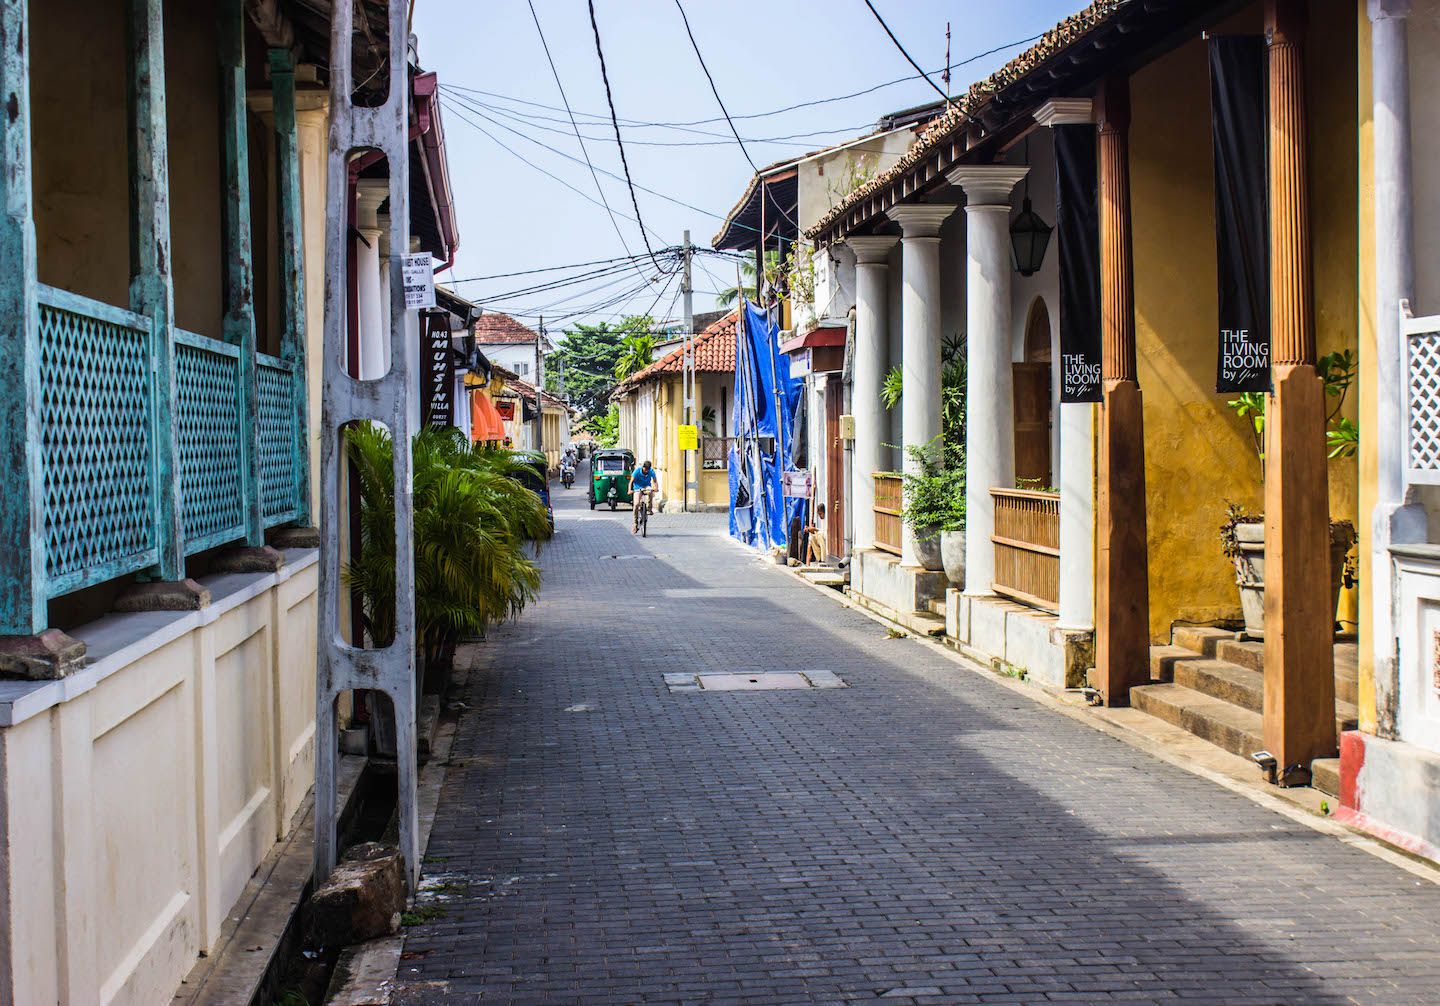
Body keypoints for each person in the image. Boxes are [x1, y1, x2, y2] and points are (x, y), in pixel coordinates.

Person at [629, 460, 658, 532]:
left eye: (648, 470)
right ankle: (635, 523)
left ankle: (649, 509)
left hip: (646, 486)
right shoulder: (637, 471)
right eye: (645, 469)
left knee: (650, 492)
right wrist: (629, 490)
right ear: (643, 467)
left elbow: (654, 481)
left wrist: (656, 488)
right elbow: (631, 482)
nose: (646, 471)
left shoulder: (651, 471)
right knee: (636, 504)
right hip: (637, 488)